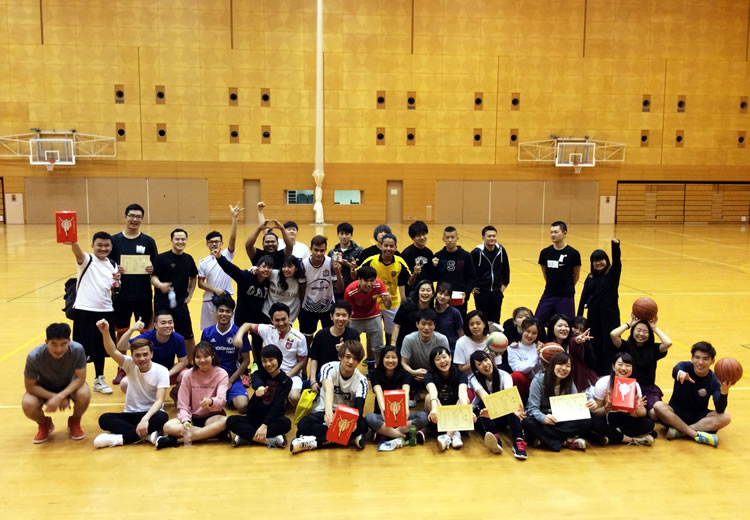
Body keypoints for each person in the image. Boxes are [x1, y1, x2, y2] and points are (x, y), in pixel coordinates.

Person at [93, 320, 169, 448]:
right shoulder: (129, 364)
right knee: (104, 419)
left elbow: (159, 400)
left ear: (152, 354)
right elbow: (112, 351)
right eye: (137, 355)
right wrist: (105, 332)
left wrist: (145, 419)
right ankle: (148, 435)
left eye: (145, 354)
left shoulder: (162, 371)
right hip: (130, 413)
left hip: (151, 414)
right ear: (132, 356)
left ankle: (120, 439)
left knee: (163, 417)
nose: (142, 358)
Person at [291, 340, 369, 453]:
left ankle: (314, 443)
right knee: (303, 424)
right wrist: (328, 414)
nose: (351, 361)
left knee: (363, 425)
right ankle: (349, 438)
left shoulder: (362, 380)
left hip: (345, 418)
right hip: (325, 411)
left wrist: (354, 423)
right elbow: (329, 389)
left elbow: (359, 408)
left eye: (355, 359)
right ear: (340, 356)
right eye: (347, 357)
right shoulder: (329, 367)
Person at [109, 203, 158, 385]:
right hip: (121, 296)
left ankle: (143, 368)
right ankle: (122, 368)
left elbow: (156, 267)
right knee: (121, 333)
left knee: (144, 334)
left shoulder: (148, 241)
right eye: (131, 216)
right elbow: (106, 265)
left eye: (138, 216)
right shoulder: (115, 241)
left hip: (143, 296)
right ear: (125, 217)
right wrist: (115, 270)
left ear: (142, 219)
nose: (134, 219)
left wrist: (153, 269)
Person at [66, 231, 118, 395]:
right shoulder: (87, 260)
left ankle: (99, 379)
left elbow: (112, 286)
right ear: (93, 246)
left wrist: (117, 280)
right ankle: (76, 381)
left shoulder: (113, 264)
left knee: (101, 348)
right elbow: (78, 253)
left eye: (106, 245)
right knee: (80, 348)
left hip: (106, 310)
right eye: (99, 245)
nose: (103, 248)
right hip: (85, 311)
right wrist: (73, 242)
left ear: (111, 247)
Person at [652, 342, 732, 447]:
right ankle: (694, 434)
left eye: (705, 359)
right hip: (676, 412)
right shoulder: (684, 367)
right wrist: (679, 372)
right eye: (697, 357)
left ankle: (681, 431)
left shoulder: (714, 380)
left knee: (726, 417)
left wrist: (724, 393)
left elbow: (720, 409)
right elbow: (676, 369)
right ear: (692, 358)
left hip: (698, 416)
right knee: (658, 406)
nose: (700, 362)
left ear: (712, 361)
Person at [23, 323, 90, 443]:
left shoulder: (77, 350)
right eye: (54, 344)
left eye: (63, 344)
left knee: (84, 393)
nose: (59, 349)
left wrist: (60, 396)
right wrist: (54, 397)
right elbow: (30, 387)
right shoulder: (34, 356)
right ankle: (44, 424)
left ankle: (75, 421)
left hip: (69, 386)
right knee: (28, 403)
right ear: (46, 342)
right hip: (44, 388)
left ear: (69, 341)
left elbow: (80, 378)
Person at [156, 342, 229, 449]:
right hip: (192, 418)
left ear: (213, 356)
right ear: (194, 359)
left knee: (224, 422)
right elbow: (183, 405)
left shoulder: (222, 374)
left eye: (206, 356)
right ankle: (209, 434)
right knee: (167, 427)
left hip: (212, 417)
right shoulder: (188, 375)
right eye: (198, 357)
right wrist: (186, 421)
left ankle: (178, 440)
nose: (202, 360)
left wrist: (211, 401)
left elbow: (221, 401)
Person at [234, 302, 307, 406]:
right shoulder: (267, 330)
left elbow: (302, 362)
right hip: (269, 374)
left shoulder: (299, 338)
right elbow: (247, 325)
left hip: (291, 375)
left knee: (294, 397)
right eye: (277, 320)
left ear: (289, 317)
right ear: (272, 320)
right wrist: (238, 336)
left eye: (284, 319)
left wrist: (285, 377)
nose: (281, 323)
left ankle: (286, 398)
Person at [523, 351, 596, 452]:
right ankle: (566, 441)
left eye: (568, 366)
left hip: (560, 420)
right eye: (560, 364)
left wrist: (589, 404)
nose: (564, 368)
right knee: (528, 422)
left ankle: (546, 439)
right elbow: (532, 408)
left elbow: (576, 406)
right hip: (544, 419)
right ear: (552, 365)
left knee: (587, 421)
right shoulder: (538, 380)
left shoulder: (569, 383)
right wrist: (543, 418)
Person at [227, 345, 292, 448]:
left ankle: (246, 437)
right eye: (264, 361)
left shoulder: (286, 381)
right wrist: (260, 388)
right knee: (231, 421)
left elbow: (278, 406)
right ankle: (270, 441)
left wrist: (265, 425)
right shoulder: (259, 373)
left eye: (271, 360)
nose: (268, 364)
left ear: (278, 359)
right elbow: (256, 380)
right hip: (253, 418)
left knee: (286, 423)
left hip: (271, 420)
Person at [214, 248, 273, 363]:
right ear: (258, 267)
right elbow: (231, 269)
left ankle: (257, 366)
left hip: (258, 318)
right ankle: (241, 367)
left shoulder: (269, 282)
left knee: (257, 345)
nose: (266, 269)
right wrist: (220, 258)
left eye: (269, 267)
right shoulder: (246, 276)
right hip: (242, 317)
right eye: (264, 266)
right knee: (240, 345)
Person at [366, 346, 429, 451]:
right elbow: (379, 392)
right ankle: (404, 435)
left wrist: (405, 409)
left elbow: (406, 391)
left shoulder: (405, 374)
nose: (390, 360)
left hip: (402, 418)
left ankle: (387, 434)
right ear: (382, 359)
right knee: (370, 418)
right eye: (387, 357)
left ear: (398, 359)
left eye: (394, 357)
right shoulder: (374, 373)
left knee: (424, 416)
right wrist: (384, 410)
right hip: (383, 417)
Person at [610, 315, 672, 419]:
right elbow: (613, 334)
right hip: (628, 388)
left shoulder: (654, 348)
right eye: (638, 330)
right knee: (629, 413)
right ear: (633, 331)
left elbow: (668, 343)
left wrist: (654, 328)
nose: (641, 334)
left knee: (654, 414)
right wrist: (629, 324)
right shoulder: (626, 346)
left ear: (650, 334)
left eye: (645, 331)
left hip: (648, 389)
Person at [469, 350, 528, 459]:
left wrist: (515, 409)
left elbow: (508, 396)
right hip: (484, 415)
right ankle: (494, 437)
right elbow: (485, 397)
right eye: (480, 364)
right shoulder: (474, 379)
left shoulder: (505, 375)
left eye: (486, 360)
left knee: (512, 405)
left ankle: (519, 441)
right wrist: (490, 411)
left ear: (491, 360)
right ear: (476, 368)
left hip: (502, 413)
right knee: (483, 405)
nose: (485, 364)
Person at [151, 228, 198, 362]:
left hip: (180, 304)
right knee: (161, 334)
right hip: (162, 304)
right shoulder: (161, 258)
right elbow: (153, 277)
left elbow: (193, 277)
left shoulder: (188, 259)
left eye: (183, 239)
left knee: (188, 336)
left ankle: (190, 364)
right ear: (171, 240)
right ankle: (159, 362)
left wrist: (190, 294)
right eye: (177, 239)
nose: (180, 242)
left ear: (186, 240)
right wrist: (160, 285)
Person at [589, 352, 656, 446]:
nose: (624, 368)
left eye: (628, 365)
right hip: (606, 418)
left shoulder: (635, 385)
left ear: (632, 369)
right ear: (613, 367)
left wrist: (636, 408)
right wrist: (607, 408)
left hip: (624, 419)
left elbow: (642, 414)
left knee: (649, 424)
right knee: (592, 422)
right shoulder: (603, 383)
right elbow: (595, 412)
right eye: (620, 364)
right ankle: (631, 439)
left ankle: (611, 436)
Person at [357, 233, 412, 347]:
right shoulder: (371, 260)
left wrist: (415, 273)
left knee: (392, 334)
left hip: (393, 303)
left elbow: (409, 280)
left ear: (395, 248)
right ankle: (371, 357)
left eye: (391, 246)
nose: (388, 248)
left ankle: (389, 353)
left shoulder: (400, 261)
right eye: (386, 245)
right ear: (381, 246)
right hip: (373, 303)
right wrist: (352, 270)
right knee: (371, 334)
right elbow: (357, 273)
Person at [117, 311, 188, 399]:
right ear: (155, 325)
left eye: (170, 322)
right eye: (163, 323)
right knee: (125, 384)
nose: (167, 326)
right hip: (146, 372)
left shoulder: (178, 338)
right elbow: (121, 346)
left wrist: (166, 374)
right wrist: (131, 329)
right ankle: (144, 399)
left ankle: (176, 393)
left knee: (186, 375)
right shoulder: (147, 337)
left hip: (168, 371)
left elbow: (183, 362)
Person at [577, 238, 622, 376]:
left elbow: (617, 262)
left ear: (606, 260)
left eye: (601, 259)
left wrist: (615, 246)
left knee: (609, 344)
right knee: (595, 343)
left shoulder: (612, 274)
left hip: (610, 315)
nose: (598, 263)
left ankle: (610, 371)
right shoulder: (590, 277)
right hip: (594, 315)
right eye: (595, 260)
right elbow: (583, 296)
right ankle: (597, 371)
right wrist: (579, 316)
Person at [200, 295, 251, 413]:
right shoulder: (207, 333)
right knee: (202, 405)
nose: (224, 314)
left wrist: (231, 381)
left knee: (243, 405)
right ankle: (223, 397)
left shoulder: (239, 333)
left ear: (232, 314)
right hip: (212, 377)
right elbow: (202, 358)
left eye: (228, 311)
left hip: (232, 377)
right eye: (221, 311)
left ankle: (226, 396)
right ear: (216, 312)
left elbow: (246, 361)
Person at [197, 203, 241, 330]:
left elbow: (233, 238)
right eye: (211, 242)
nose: (214, 244)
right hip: (209, 300)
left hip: (226, 299)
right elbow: (200, 283)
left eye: (217, 241)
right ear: (207, 244)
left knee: (229, 330)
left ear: (221, 243)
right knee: (208, 331)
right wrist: (215, 289)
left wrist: (234, 219)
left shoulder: (227, 255)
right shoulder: (203, 262)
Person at [425, 345, 473, 451]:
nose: (442, 361)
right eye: (438, 359)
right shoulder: (429, 375)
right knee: (429, 397)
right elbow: (432, 391)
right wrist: (434, 408)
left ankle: (447, 436)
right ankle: (455, 434)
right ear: (434, 362)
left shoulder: (460, 374)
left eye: (444, 357)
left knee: (466, 400)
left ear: (450, 357)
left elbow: (462, 392)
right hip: (439, 414)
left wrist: (467, 409)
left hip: (455, 412)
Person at [299, 235, 344, 347]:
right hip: (308, 308)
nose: (319, 253)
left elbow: (340, 289)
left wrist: (338, 273)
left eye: (322, 250)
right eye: (316, 250)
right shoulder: (303, 265)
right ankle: (306, 357)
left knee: (330, 338)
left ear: (326, 250)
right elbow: (301, 288)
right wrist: (302, 307)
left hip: (328, 308)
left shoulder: (331, 263)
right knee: (307, 338)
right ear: (311, 249)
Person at [535, 221, 581, 326]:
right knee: (537, 321)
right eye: (551, 232)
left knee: (566, 324)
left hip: (566, 296)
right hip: (549, 293)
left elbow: (576, 275)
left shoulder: (573, 253)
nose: (553, 235)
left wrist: (567, 286)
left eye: (556, 232)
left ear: (564, 233)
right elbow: (545, 273)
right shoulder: (545, 253)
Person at [309, 301, 360, 393]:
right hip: (322, 376)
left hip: (345, 377)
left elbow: (355, 360)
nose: (341, 319)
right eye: (337, 315)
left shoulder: (354, 335)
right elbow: (314, 359)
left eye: (344, 315)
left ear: (349, 317)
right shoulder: (321, 335)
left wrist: (344, 352)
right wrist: (313, 381)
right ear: (331, 316)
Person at [401, 309, 449, 405]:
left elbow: (447, 362)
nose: (426, 328)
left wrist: (429, 376)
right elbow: (403, 362)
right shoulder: (409, 339)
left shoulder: (442, 339)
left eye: (430, 324)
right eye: (423, 324)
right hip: (415, 373)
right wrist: (413, 372)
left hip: (436, 372)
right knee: (404, 373)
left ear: (434, 325)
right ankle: (411, 395)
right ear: (417, 324)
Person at [344, 266, 391, 362]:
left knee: (379, 347)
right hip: (355, 318)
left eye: (372, 281)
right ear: (359, 279)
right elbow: (346, 312)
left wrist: (389, 299)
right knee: (351, 347)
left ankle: (378, 368)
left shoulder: (379, 285)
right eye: (366, 280)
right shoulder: (350, 291)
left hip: (373, 315)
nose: (369, 284)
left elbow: (387, 306)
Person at [431, 226, 476, 319]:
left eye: (452, 237)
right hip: (442, 297)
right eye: (447, 237)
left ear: (457, 238)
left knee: (459, 322)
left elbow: (471, 277)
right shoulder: (438, 256)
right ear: (443, 239)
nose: (450, 240)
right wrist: (434, 266)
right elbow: (434, 277)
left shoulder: (466, 256)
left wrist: (466, 293)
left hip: (459, 297)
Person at [546, 314, 598, 393]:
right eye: (560, 326)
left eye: (566, 326)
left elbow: (574, 342)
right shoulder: (547, 347)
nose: (563, 328)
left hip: (580, 384)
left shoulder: (572, 341)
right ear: (552, 329)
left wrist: (578, 341)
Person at [471, 225, 510, 324]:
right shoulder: (476, 252)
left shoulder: (501, 250)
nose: (492, 238)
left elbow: (506, 268)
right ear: (483, 238)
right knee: (482, 319)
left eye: (494, 236)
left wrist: (505, 284)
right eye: (489, 236)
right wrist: (472, 287)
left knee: (495, 320)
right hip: (481, 292)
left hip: (496, 292)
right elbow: (469, 270)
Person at [506, 317, 544, 402]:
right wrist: (536, 355)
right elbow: (518, 368)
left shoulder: (542, 348)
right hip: (524, 385)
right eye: (528, 331)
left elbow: (543, 370)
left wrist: (542, 354)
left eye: (534, 333)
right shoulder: (512, 348)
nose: (530, 335)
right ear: (522, 330)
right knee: (516, 376)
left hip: (539, 384)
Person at [391, 279, 434, 349]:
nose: (425, 293)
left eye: (428, 290)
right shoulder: (406, 304)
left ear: (432, 294)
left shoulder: (433, 310)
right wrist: (393, 344)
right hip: (403, 343)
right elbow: (397, 325)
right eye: (422, 290)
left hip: (422, 347)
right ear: (417, 292)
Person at [263, 255, 305, 323]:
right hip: (267, 315)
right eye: (284, 266)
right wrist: (254, 269)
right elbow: (258, 270)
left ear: (296, 268)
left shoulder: (299, 281)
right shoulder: (274, 274)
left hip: (286, 319)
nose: (286, 269)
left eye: (289, 266)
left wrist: (291, 318)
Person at [328, 222, 363, 302]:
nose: (344, 237)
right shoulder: (332, 252)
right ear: (338, 234)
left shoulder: (359, 251)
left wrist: (347, 264)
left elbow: (362, 270)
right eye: (341, 234)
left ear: (351, 235)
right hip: (336, 290)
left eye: (347, 234)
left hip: (353, 289)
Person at [400, 220, 434, 299]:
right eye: (418, 235)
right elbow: (402, 278)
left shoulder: (429, 253)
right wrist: (403, 298)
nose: (422, 237)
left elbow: (431, 276)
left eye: (424, 234)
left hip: (426, 292)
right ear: (413, 238)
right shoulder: (406, 254)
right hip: (412, 292)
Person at [433, 282, 464, 352]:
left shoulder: (455, 313)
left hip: (452, 349)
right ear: (436, 295)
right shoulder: (432, 312)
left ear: (450, 298)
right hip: (435, 349)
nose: (442, 297)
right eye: (440, 293)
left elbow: (461, 334)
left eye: (446, 295)